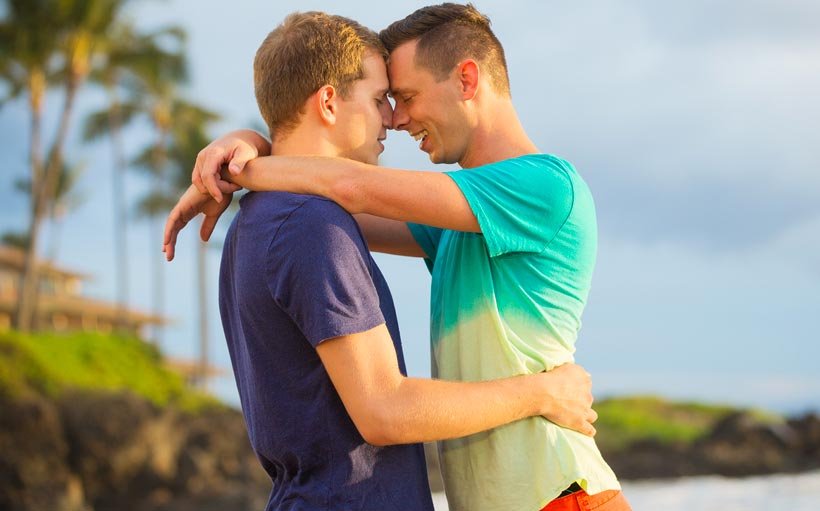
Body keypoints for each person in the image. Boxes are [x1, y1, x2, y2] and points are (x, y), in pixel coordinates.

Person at [166, 10, 600, 511]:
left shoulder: (546, 186)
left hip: (558, 491)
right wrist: (247, 150)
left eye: (405, 97)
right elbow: (343, 197)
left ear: (466, 79)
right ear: (329, 101)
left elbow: (350, 191)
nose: (395, 118)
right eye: (383, 100)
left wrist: (244, 165)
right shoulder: (326, 224)